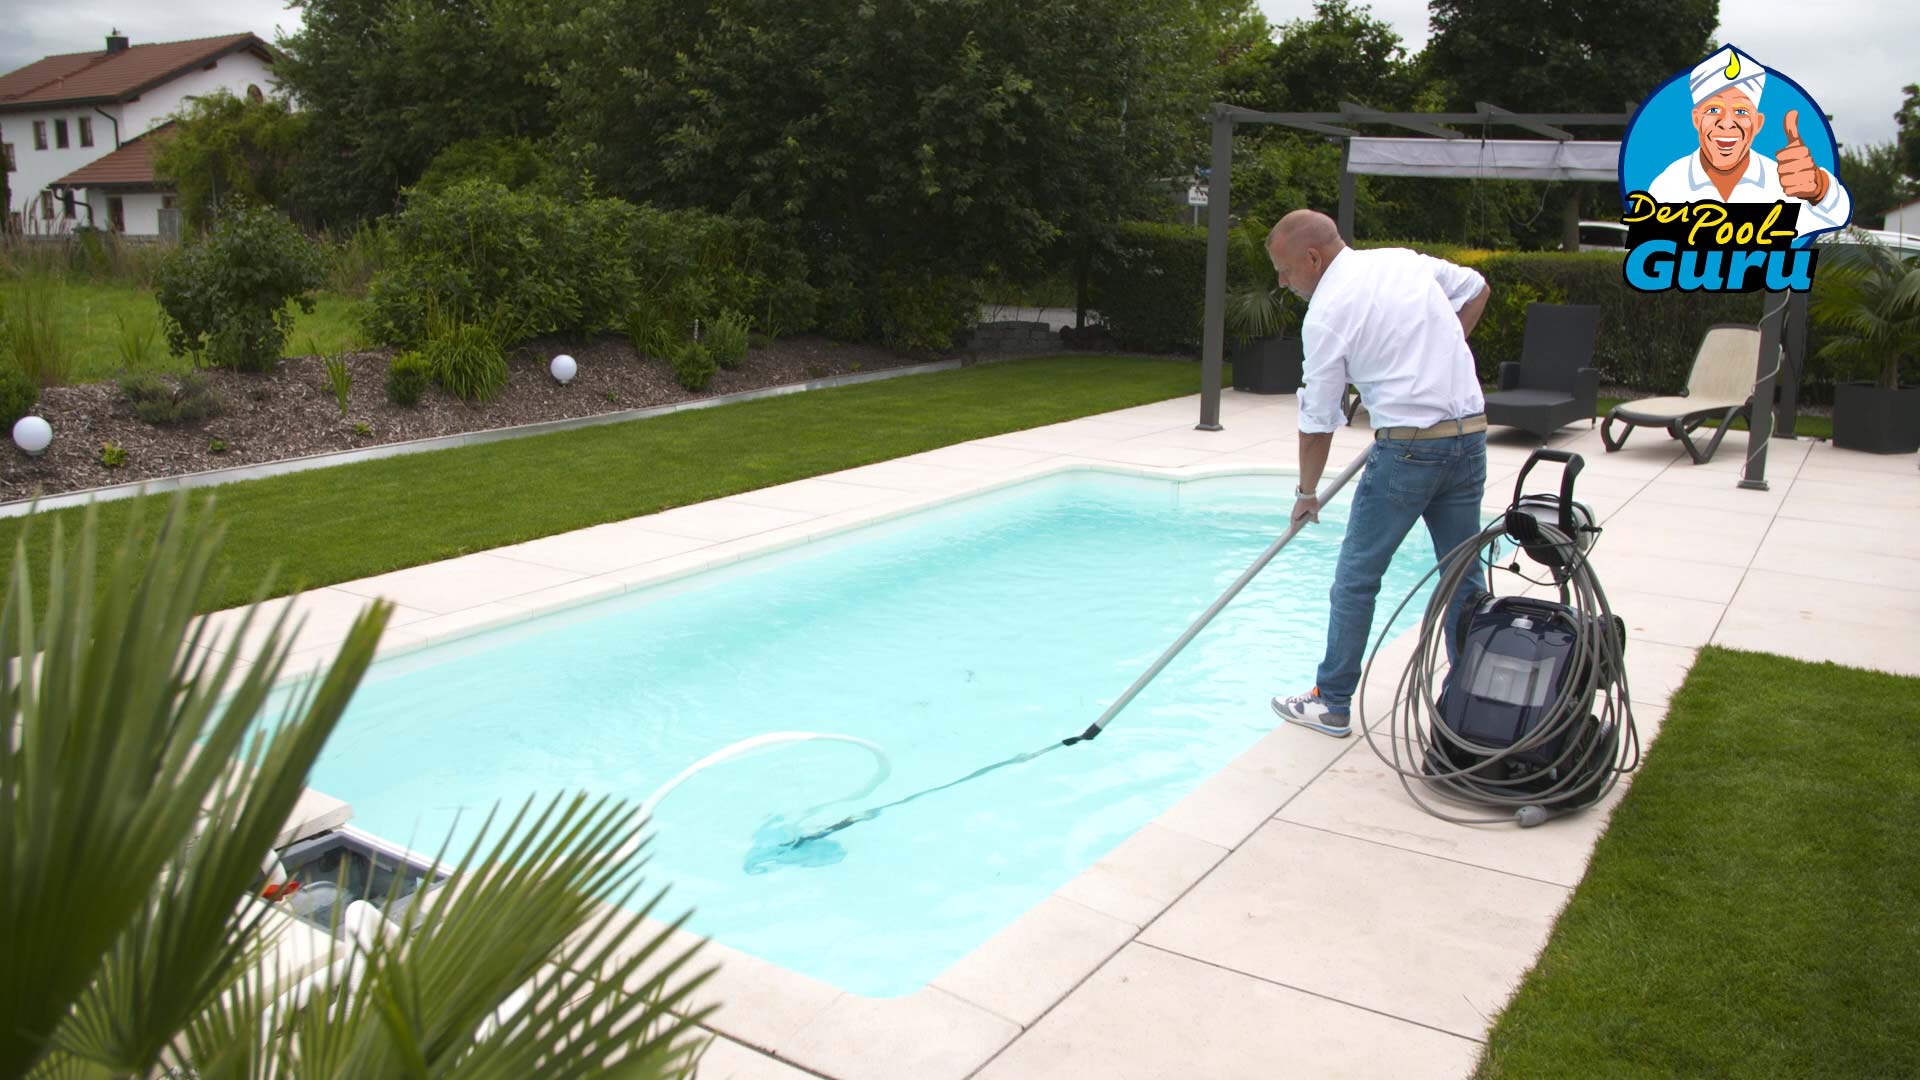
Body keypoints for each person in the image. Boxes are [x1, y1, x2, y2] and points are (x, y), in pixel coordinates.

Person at [1266, 210, 1491, 737]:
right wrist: (1446, 354)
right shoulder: (1402, 262)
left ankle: (1332, 701)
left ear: (1312, 258)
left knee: (1356, 578)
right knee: (1461, 574)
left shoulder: (1325, 313)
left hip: (1409, 451)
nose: (1282, 281)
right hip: (1469, 437)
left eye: (1284, 270)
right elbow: (1477, 289)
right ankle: (1470, 695)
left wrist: (1306, 493)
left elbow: (1318, 419)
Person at [1644, 45, 1850, 240]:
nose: (1726, 124)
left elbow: (1836, 215)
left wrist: (1819, 188)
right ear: (1696, 119)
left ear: (1758, 123)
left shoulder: (1786, 185)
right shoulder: (1668, 186)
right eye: (1713, 110)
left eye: (1741, 111)